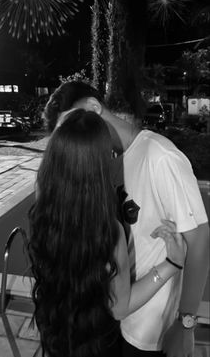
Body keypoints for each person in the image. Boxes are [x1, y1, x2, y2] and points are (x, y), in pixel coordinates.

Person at [43, 80, 210, 357]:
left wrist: (186, 324)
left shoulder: (160, 155)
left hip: (153, 331)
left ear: (94, 108)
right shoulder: (106, 161)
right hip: (121, 316)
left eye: (72, 124)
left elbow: (200, 239)